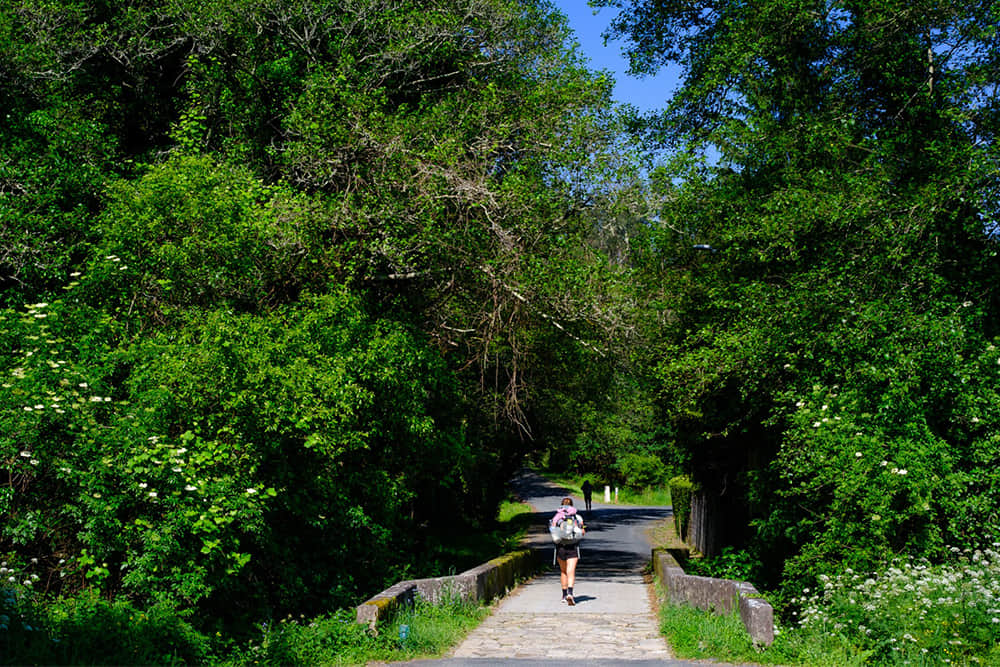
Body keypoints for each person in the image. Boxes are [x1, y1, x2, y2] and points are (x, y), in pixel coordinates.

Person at [550, 497, 584, 605]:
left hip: (560, 547)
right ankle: (570, 593)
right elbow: (582, 532)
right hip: (572, 547)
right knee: (571, 571)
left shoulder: (556, 517)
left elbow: (553, 531)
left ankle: (564, 595)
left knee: (563, 571)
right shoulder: (577, 517)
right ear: (572, 505)